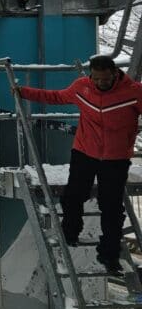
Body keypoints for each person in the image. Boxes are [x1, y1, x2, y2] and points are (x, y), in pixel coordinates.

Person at [15, 55, 142, 274]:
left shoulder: (133, 93)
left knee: (111, 207)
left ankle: (109, 255)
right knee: (73, 195)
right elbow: (55, 97)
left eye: (105, 79)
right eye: (97, 79)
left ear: (114, 74)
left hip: (116, 158)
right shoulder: (82, 87)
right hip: (84, 152)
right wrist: (23, 92)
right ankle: (70, 232)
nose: (101, 83)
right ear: (90, 76)